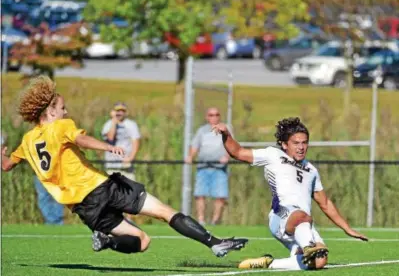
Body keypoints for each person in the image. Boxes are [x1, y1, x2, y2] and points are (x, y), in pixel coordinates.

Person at [1, 76, 248, 257]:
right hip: (103, 188)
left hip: (84, 208)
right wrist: (107, 147)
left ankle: (107, 242)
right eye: (62, 108)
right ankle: (214, 242)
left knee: (142, 241)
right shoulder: (60, 126)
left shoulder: (27, 141)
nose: (66, 112)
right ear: (50, 112)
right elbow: (81, 139)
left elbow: (7, 165)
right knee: (165, 212)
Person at [212, 117, 368, 270]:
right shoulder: (273, 155)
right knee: (301, 216)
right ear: (284, 145)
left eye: (304, 142)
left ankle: (269, 263)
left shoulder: (311, 170)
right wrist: (226, 134)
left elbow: (325, 203)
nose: (301, 147)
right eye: (296, 143)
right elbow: (238, 152)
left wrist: (347, 228)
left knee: (320, 260)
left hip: (304, 224)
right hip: (282, 216)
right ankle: (308, 246)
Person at [185, 107, 231, 225]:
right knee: (200, 194)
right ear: (207, 117)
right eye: (211, 115)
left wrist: (227, 156)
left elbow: (231, 145)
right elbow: (195, 146)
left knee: (220, 196)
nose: (214, 117)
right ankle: (201, 220)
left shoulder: (225, 129)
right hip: (203, 167)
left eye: (216, 114)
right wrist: (190, 156)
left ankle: (215, 221)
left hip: (220, 168)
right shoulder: (202, 131)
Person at [101, 102, 140, 181]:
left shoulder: (131, 124)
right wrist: (114, 121)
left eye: (122, 111)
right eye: (117, 110)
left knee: (131, 190)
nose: (120, 113)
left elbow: (135, 142)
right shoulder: (108, 124)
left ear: (125, 112)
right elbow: (110, 138)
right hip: (111, 165)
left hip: (126, 165)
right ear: (113, 112)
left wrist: (130, 158)